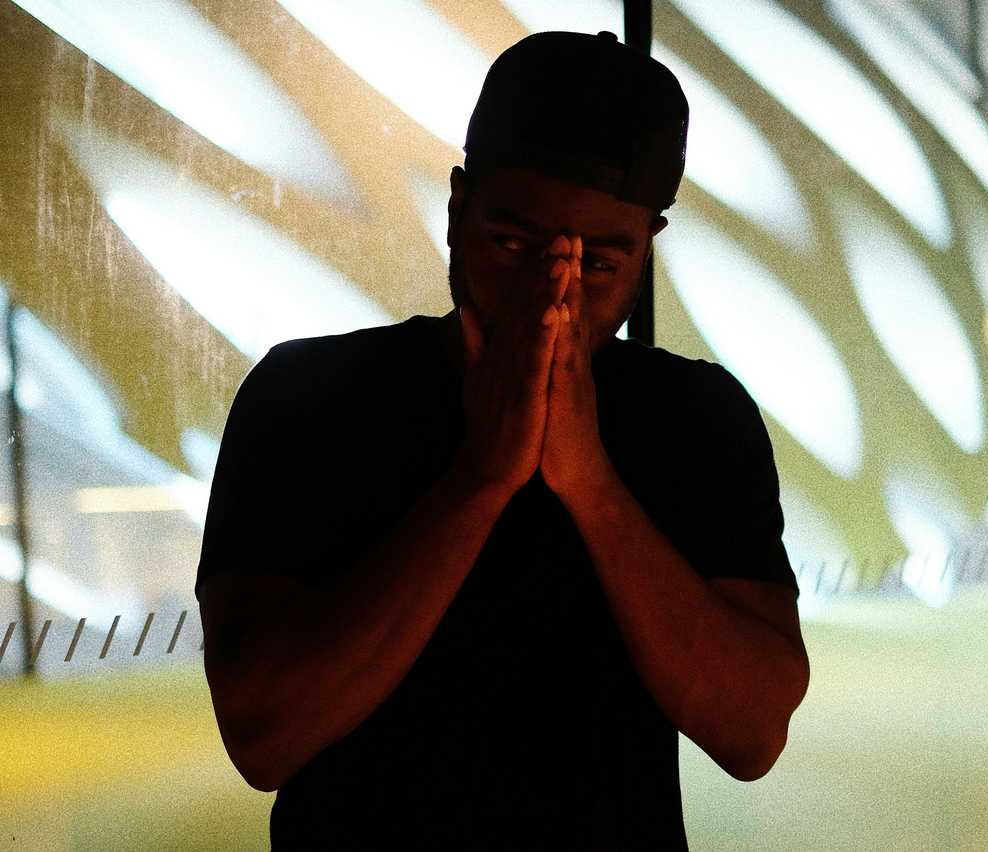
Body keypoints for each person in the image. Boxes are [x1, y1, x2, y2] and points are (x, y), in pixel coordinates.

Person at [196, 30, 809, 851]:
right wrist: (480, 480)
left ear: (647, 250)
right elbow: (263, 732)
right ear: (458, 208)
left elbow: (753, 731)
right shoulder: (309, 399)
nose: (550, 292)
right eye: (514, 244)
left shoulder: (695, 417)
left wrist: (590, 482)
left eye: (597, 265)